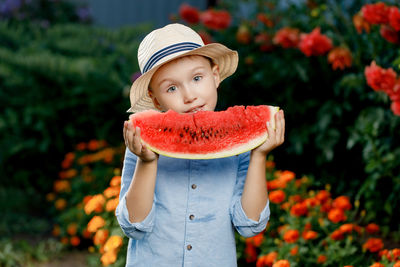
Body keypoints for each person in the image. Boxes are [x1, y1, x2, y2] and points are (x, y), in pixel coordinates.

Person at [116, 23, 285, 266]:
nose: (189, 95)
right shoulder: (141, 146)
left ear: (215, 76)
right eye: (171, 88)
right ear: (155, 99)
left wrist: (258, 156)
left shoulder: (239, 150)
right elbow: (134, 226)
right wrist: (147, 162)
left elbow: (250, 225)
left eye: (197, 78)